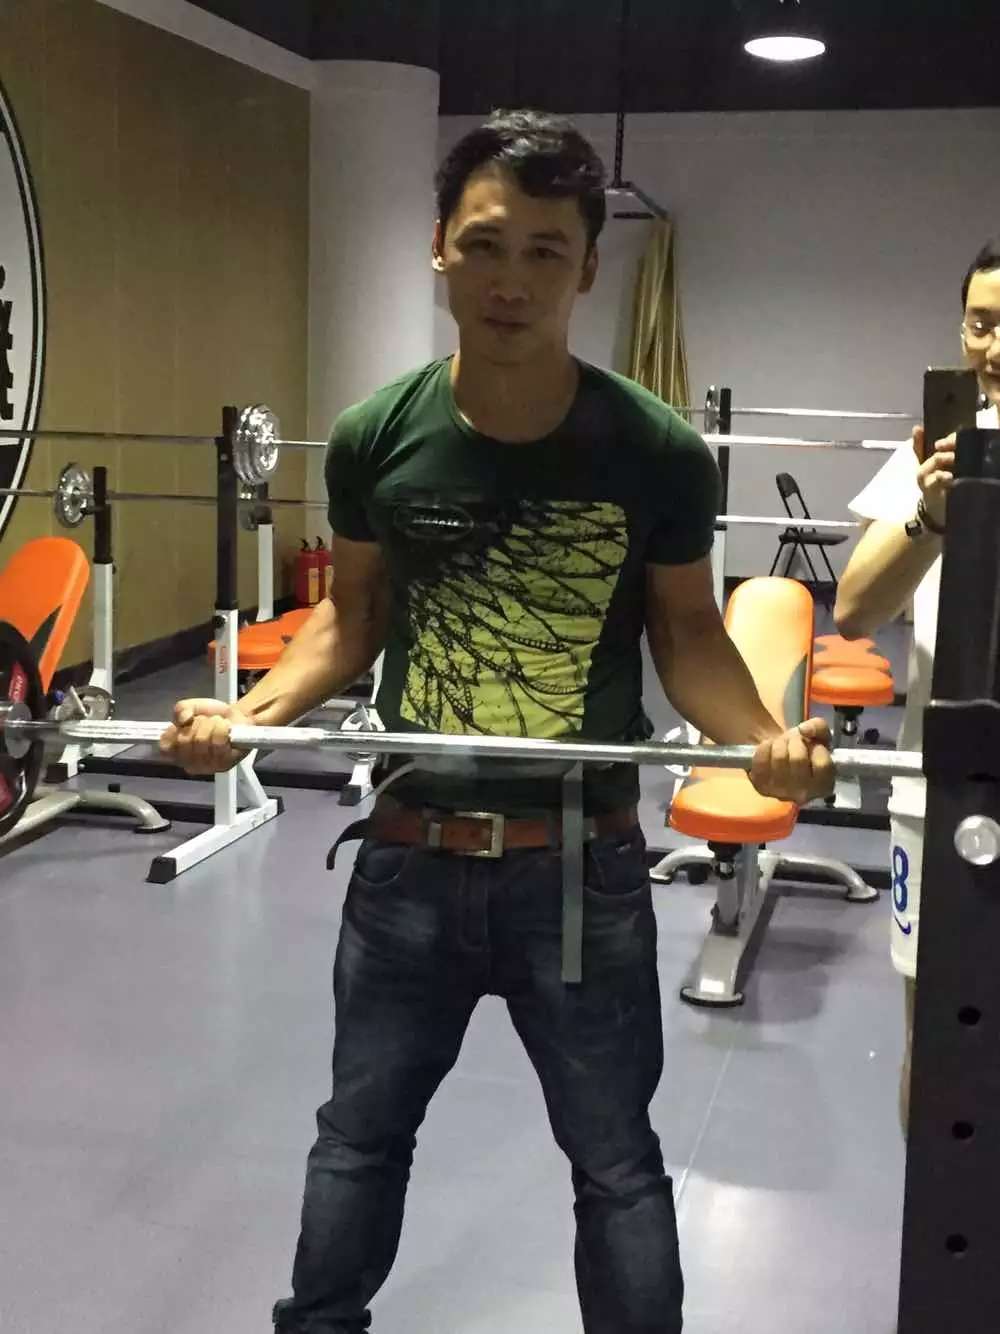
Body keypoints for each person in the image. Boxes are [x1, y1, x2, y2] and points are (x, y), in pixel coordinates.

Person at [160, 110, 833, 1334]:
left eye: (542, 250)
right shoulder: (376, 435)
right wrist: (247, 716)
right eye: (484, 244)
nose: (510, 280)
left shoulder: (656, 451)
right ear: (439, 248)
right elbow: (350, 615)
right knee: (358, 1136)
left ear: (587, 267)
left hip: (578, 870)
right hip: (407, 860)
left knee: (615, 1161)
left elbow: (687, 632)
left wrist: (763, 740)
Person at [836, 237, 1000, 1134]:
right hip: (936, 793)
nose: (994, 348)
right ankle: (928, 1219)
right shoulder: (933, 454)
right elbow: (854, 610)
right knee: (933, 1040)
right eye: (981, 324)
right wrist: (931, 515)